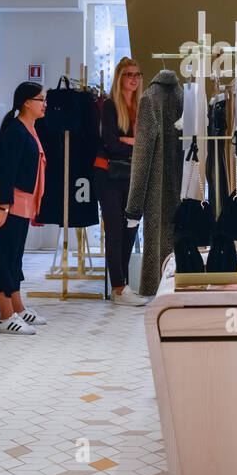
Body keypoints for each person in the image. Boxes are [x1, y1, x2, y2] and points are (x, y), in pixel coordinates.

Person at [0, 82, 49, 334]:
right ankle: (4, 316)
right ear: (26, 102)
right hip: (7, 204)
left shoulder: (28, 129)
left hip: (20, 205)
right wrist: (3, 207)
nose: (44, 104)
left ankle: (17, 308)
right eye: (40, 99)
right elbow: (5, 171)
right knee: (4, 259)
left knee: (14, 259)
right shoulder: (16, 131)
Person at [95, 57, 148, 305]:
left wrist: (128, 143)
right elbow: (110, 143)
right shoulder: (109, 105)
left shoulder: (142, 106)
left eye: (137, 74)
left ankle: (123, 285)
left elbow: (143, 144)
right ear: (120, 77)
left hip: (132, 176)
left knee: (131, 230)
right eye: (129, 74)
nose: (134, 78)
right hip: (108, 175)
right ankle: (118, 288)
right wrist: (132, 144)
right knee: (115, 230)